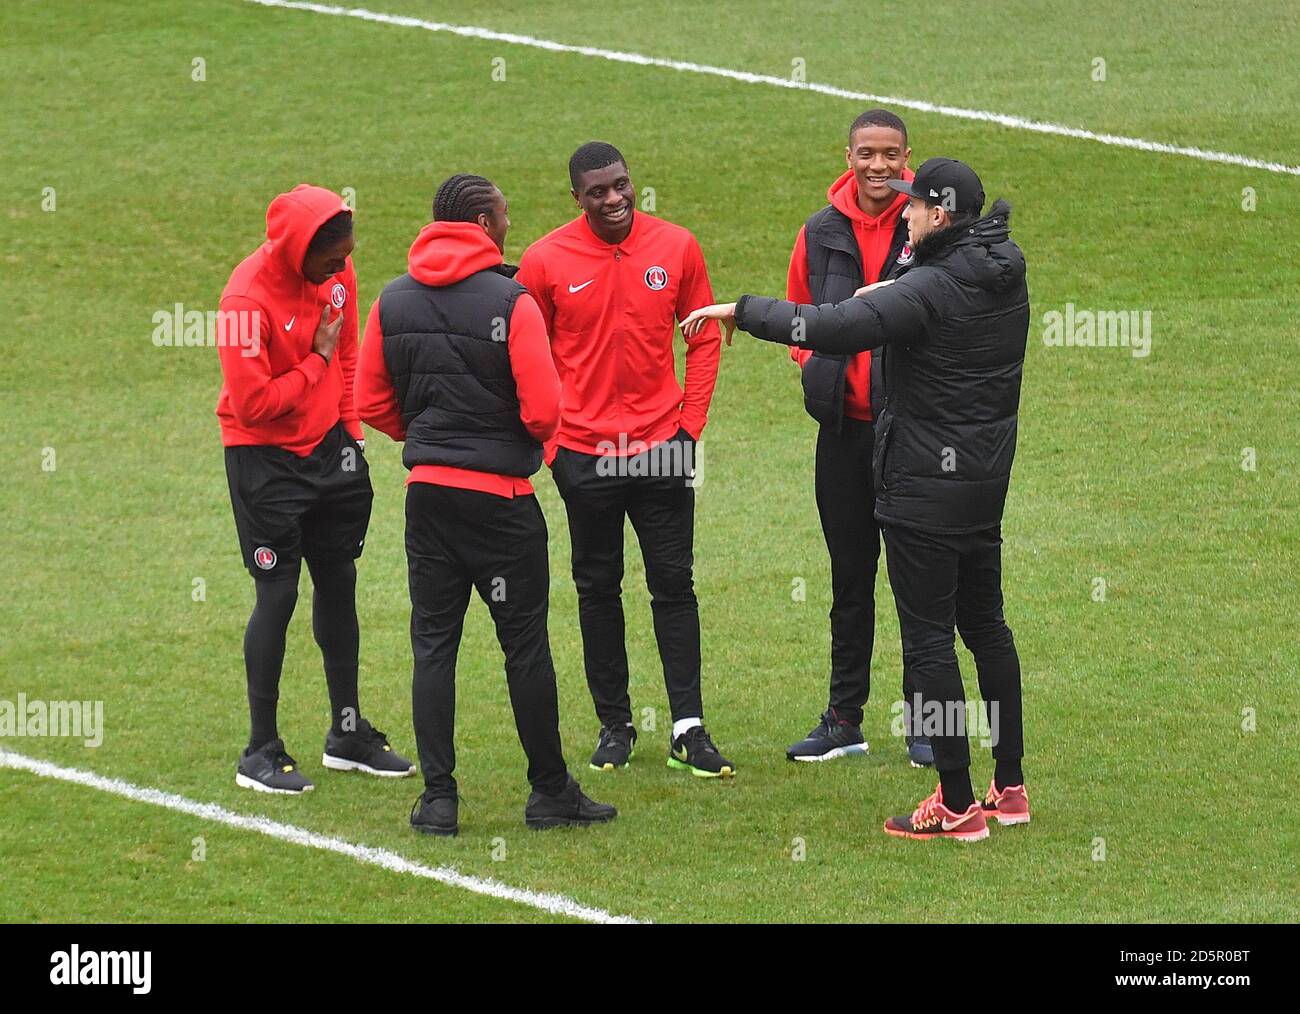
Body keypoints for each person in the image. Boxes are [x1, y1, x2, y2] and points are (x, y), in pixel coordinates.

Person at [682, 158, 1030, 840]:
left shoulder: (928, 288)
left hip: (922, 491)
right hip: (981, 486)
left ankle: (957, 804)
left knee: (929, 642)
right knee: (987, 627)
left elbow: (836, 329)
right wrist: (895, 283)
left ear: (940, 214)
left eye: (912, 207)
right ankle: (1009, 786)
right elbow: (919, 300)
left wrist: (742, 312)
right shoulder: (1001, 267)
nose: (901, 214)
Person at [355, 174, 617, 835]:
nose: (509, 226)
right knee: (524, 646)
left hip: (429, 500)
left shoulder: (392, 301)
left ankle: (439, 801)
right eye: (503, 216)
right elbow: (544, 409)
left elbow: (370, 401)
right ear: (480, 222)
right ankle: (549, 793)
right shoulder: (512, 300)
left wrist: (424, 438)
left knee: (433, 647)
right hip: (501, 503)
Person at [518, 142, 734, 779]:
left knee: (673, 585)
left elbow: (704, 334)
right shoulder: (544, 259)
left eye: (620, 186)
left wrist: (689, 428)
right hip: (583, 454)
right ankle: (616, 725)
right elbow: (526, 356)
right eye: (597, 192)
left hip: (660, 446)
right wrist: (553, 446)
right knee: (597, 588)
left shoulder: (677, 246)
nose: (613, 200)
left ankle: (688, 727)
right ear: (576, 198)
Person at [216, 183, 414, 795]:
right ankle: (260, 749)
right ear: (298, 249)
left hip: (331, 449)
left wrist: (351, 433)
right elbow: (254, 407)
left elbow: (349, 354)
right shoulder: (246, 301)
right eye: (330, 260)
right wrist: (316, 362)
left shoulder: (338, 272)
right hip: (265, 462)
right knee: (277, 594)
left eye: (345, 258)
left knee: (339, 581)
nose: (341, 269)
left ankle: (347, 735)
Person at [780, 108, 935, 768]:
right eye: (866, 153)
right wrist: (816, 367)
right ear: (847, 156)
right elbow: (797, 317)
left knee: (920, 586)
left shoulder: (930, 226)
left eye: (891, 154)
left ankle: (926, 723)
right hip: (844, 435)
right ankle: (845, 719)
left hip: (913, 437)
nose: (879, 165)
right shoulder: (818, 232)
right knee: (850, 581)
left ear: (909, 158)